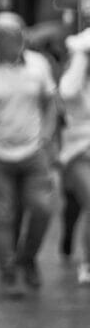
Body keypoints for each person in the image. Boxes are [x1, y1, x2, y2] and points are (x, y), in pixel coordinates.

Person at [0, 12, 57, 295]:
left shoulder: (38, 65)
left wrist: (47, 136)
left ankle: (27, 258)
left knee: (42, 207)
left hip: (33, 149)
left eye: (4, 35)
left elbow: (51, 101)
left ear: (18, 37)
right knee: (1, 215)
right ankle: (8, 268)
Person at [58, 27, 90, 285]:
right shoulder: (74, 79)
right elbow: (67, 92)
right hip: (78, 154)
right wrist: (82, 55)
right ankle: (85, 260)